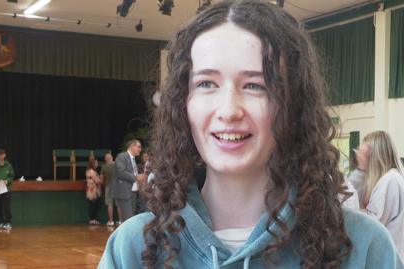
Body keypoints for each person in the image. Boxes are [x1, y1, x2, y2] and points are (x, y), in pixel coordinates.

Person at [99, 1, 403, 268]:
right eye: (206, 83)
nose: (229, 110)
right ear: (183, 103)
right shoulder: (132, 249)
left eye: (255, 85)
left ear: (294, 104)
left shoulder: (364, 248)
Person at [349, 131, 404, 258]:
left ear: (374, 157)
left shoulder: (391, 180)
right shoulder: (390, 179)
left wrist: (361, 169)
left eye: (364, 156)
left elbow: (369, 223)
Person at [112, 139, 146, 223]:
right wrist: (136, 177)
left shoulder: (133, 159)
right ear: (132, 146)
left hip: (133, 194)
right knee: (128, 220)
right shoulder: (122, 156)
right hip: (125, 193)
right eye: (138, 147)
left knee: (130, 220)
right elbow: (121, 172)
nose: (140, 149)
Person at [0, 149, 14, 230]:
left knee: (7, 207)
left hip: (6, 189)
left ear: (5, 155)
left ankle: (8, 222)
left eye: (2, 154)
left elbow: (11, 176)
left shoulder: (9, 165)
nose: (1, 156)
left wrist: (7, 181)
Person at [101, 153, 117, 226]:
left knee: (110, 204)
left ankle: (111, 221)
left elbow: (101, 179)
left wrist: (104, 184)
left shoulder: (104, 167)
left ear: (105, 159)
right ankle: (121, 221)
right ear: (112, 157)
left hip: (108, 186)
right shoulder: (116, 165)